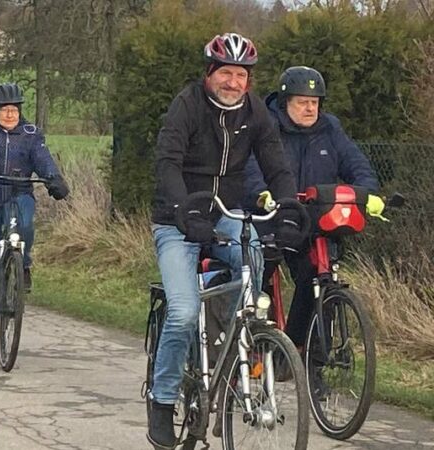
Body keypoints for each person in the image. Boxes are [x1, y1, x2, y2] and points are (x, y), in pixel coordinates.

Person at [148, 33, 301, 449]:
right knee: (183, 311)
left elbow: (276, 164)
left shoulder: (255, 111)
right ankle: (162, 398)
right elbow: (167, 162)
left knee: (254, 265)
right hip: (177, 220)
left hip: (226, 216)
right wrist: (183, 210)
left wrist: (288, 207)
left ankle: (231, 356)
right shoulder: (187, 104)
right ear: (209, 73)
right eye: (226, 73)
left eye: (241, 75)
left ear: (249, 81)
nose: (233, 82)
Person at [244, 66, 382, 353]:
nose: (310, 108)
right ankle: (255, 339)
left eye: (315, 102)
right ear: (285, 103)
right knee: (260, 271)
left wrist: (367, 193)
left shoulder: (330, 128)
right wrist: (262, 193)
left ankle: (299, 347)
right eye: (302, 102)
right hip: (273, 217)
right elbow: (252, 166)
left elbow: (356, 164)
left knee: (316, 273)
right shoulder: (266, 127)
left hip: (314, 220)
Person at [0, 82, 70, 343]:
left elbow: (43, 160)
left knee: (25, 225)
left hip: (18, 195)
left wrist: (54, 179)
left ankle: (23, 263)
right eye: (5, 110)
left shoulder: (31, 134)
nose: (10, 114)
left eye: (14, 110)